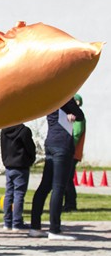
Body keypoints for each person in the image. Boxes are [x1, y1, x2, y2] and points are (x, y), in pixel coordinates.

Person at [29, 98, 84, 240]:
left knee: (45, 186)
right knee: (58, 187)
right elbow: (80, 115)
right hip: (62, 145)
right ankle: (54, 229)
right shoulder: (64, 97)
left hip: (51, 143)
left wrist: (72, 113)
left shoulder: (52, 98)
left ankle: (35, 227)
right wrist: (74, 110)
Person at [0, 123, 36, 231]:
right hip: (21, 166)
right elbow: (30, 148)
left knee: (8, 194)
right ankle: (17, 222)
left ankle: (7, 222)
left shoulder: (3, 130)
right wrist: (31, 160)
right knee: (19, 194)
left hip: (8, 165)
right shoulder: (24, 131)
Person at [63, 94, 85, 212]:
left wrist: (68, 146)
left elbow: (76, 133)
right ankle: (69, 203)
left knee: (67, 179)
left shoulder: (78, 116)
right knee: (67, 179)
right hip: (72, 152)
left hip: (72, 153)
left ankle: (71, 204)